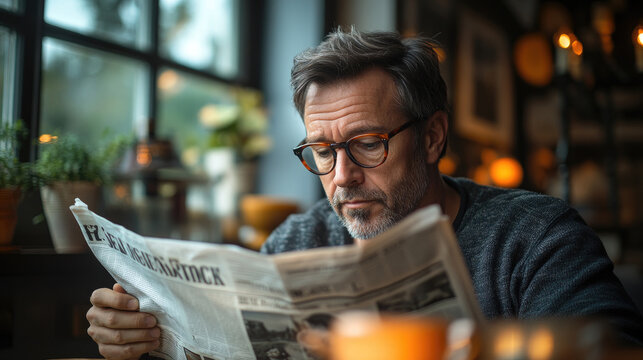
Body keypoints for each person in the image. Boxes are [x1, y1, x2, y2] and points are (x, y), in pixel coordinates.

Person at [86, 28, 643, 359]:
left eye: (368, 144)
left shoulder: (535, 235)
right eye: (322, 151)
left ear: (431, 136)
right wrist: (139, 340)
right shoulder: (297, 240)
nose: (342, 176)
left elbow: (611, 348)